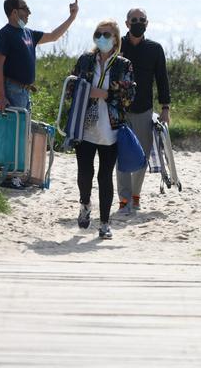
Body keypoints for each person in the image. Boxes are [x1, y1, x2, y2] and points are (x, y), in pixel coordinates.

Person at [0, 0, 78, 188]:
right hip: (12, 90)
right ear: (14, 12)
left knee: (23, 135)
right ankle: (9, 176)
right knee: (14, 135)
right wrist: (1, 96)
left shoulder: (28, 33)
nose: (29, 12)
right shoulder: (5, 34)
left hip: (25, 92)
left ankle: (17, 174)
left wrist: (72, 17)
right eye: (25, 8)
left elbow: (53, 36)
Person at [68, 19, 136, 239]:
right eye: (99, 33)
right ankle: (85, 204)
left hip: (111, 128)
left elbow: (129, 97)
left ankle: (105, 223)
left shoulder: (123, 64)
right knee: (84, 173)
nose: (102, 38)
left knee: (105, 176)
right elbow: (71, 86)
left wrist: (105, 94)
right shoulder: (86, 60)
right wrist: (80, 89)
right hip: (85, 125)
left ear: (115, 39)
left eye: (107, 34)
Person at [116, 8, 171, 214]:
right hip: (119, 110)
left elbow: (162, 80)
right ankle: (124, 199)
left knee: (141, 155)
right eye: (134, 20)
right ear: (127, 23)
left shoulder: (155, 49)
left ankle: (136, 196)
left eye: (141, 20)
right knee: (121, 155)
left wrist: (165, 108)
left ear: (147, 23)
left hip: (144, 110)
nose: (138, 23)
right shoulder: (117, 45)